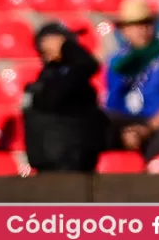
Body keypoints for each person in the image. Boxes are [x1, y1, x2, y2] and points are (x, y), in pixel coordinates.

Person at [105, 0, 159, 162]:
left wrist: (148, 128)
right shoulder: (117, 60)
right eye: (134, 24)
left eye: (146, 23)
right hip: (126, 121)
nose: (141, 29)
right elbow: (112, 102)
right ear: (123, 30)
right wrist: (126, 132)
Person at [23, 22, 107, 172]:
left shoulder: (59, 77)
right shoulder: (51, 80)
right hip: (63, 166)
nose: (73, 44)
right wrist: (66, 47)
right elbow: (88, 65)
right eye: (65, 42)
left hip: (69, 161)